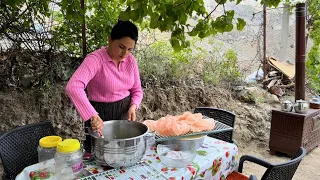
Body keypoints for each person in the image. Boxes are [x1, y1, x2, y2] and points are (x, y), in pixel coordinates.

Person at [66, 20, 143, 158]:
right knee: (100, 157)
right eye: (121, 46)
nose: (125, 53)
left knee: (123, 156)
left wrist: (133, 106)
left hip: (123, 118)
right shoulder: (95, 59)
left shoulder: (131, 61)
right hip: (99, 119)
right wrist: (92, 115)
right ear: (110, 39)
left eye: (130, 49)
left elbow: (137, 90)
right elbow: (73, 86)